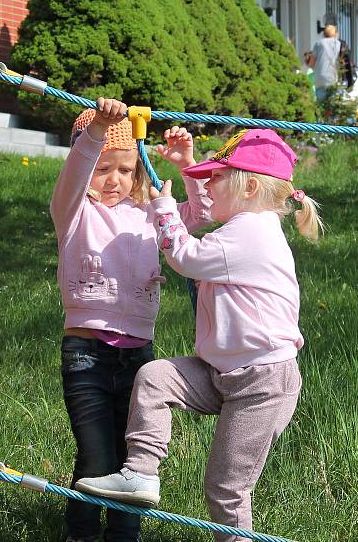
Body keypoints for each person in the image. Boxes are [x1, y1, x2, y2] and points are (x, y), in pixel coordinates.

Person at [75, 129, 324, 542]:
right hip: (221, 371)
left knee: (226, 488)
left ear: (249, 186)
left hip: (262, 383)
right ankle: (140, 473)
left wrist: (164, 209)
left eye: (216, 177)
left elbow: (185, 255)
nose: (208, 186)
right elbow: (205, 215)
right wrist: (186, 172)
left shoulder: (253, 233)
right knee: (156, 377)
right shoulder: (244, 226)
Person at [52, 97, 212, 542]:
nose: (114, 180)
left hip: (138, 355)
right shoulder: (73, 212)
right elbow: (77, 170)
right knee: (96, 454)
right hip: (86, 354)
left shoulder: (148, 215)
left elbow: (198, 215)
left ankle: (124, 537)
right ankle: (80, 535)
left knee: (130, 460)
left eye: (125, 170)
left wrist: (186, 164)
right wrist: (98, 130)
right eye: (104, 169)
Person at [305, 24, 342, 101]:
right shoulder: (339, 44)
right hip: (333, 79)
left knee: (322, 107)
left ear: (324, 33)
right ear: (335, 33)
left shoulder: (319, 43)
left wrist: (306, 61)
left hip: (321, 79)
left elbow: (311, 64)